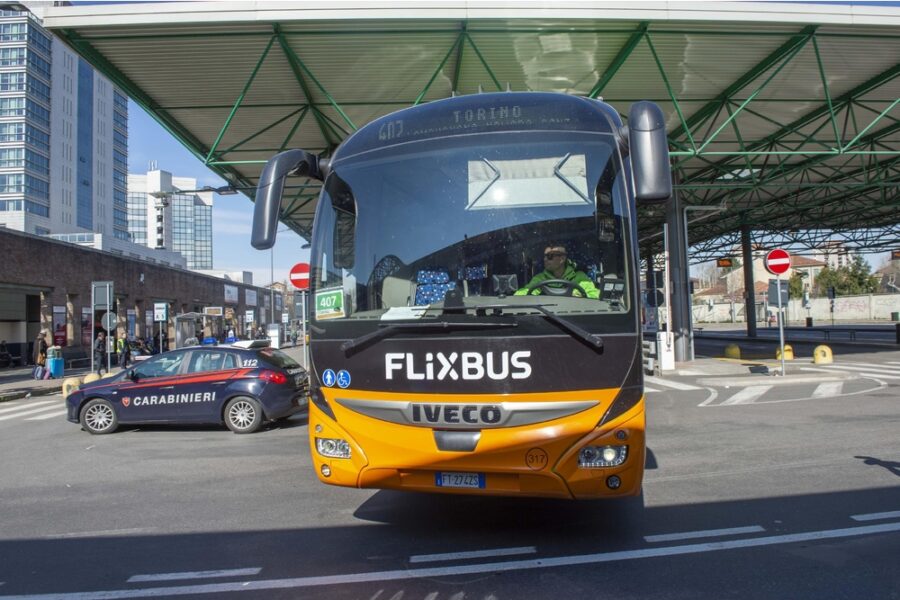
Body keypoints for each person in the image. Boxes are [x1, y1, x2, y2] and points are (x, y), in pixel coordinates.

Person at [515, 243, 600, 299]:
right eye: (544, 256)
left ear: (562, 259)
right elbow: (522, 294)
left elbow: (595, 295)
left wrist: (578, 295)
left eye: (550, 256)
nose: (545, 259)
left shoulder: (580, 277)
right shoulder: (540, 278)